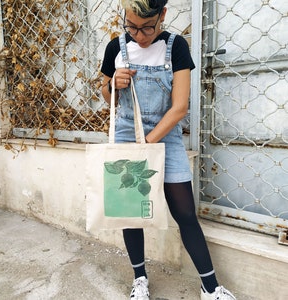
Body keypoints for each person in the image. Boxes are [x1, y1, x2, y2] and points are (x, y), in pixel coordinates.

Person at [101, 1, 236, 299]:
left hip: (166, 138)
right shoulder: (115, 48)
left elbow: (179, 108)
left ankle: (210, 287)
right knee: (130, 213)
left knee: (185, 213)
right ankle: (140, 279)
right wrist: (115, 85)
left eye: (147, 27)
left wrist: (147, 148)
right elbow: (107, 97)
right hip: (126, 134)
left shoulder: (176, 47)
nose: (139, 35)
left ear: (162, 15)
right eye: (132, 26)